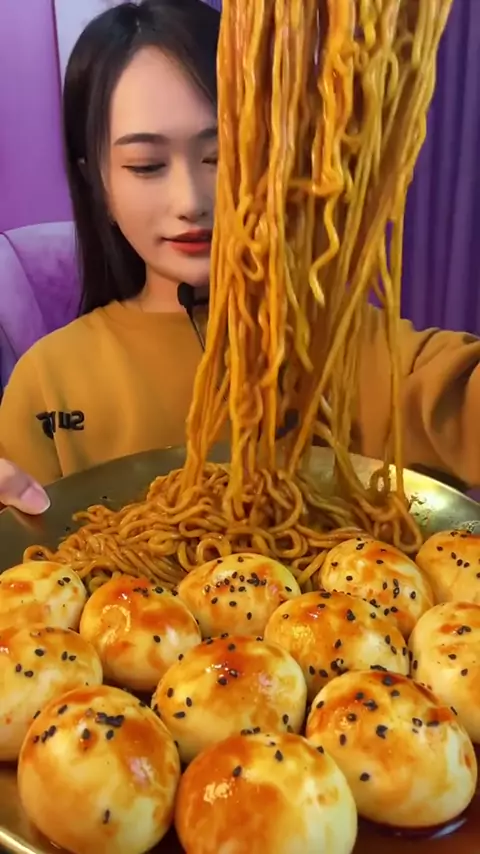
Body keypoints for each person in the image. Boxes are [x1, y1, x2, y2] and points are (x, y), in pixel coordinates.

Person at [0, 0, 479, 517]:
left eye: (221, 154)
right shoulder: (49, 381)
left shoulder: (340, 345)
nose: (191, 201)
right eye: (146, 165)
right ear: (97, 184)